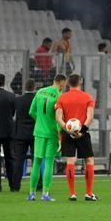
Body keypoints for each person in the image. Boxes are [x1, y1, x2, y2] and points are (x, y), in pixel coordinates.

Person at [55, 74, 97, 201]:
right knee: (89, 160)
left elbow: (58, 118)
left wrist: (68, 130)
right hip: (82, 134)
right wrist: (81, 132)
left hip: (68, 134)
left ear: (67, 83)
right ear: (81, 82)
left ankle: (72, 194)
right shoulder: (87, 97)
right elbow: (90, 117)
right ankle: (88, 193)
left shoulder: (62, 97)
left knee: (70, 161)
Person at [27, 74, 67, 202]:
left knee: (36, 162)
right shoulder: (59, 96)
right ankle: (45, 193)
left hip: (38, 132)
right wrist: (59, 132)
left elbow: (31, 112)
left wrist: (39, 122)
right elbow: (58, 118)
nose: (64, 87)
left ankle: (32, 194)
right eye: (64, 84)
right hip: (51, 133)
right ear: (61, 83)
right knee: (49, 162)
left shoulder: (40, 92)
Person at [12, 79, 37, 191]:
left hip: (20, 133)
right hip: (35, 133)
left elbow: (14, 115)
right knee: (36, 159)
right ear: (34, 87)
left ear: (24, 87)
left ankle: (15, 185)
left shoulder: (18, 100)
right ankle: (39, 184)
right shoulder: (37, 99)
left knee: (18, 160)